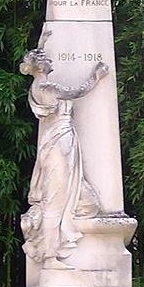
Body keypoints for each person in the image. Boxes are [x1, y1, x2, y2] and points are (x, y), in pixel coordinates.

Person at [19, 34, 108, 269]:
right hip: (58, 146)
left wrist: (42, 39)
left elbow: (37, 59)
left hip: (63, 143)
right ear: (40, 66)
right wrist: (95, 76)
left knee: (81, 200)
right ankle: (50, 257)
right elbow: (77, 92)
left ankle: (57, 245)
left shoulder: (39, 84)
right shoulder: (47, 86)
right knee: (55, 201)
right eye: (45, 59)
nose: (51, 61)